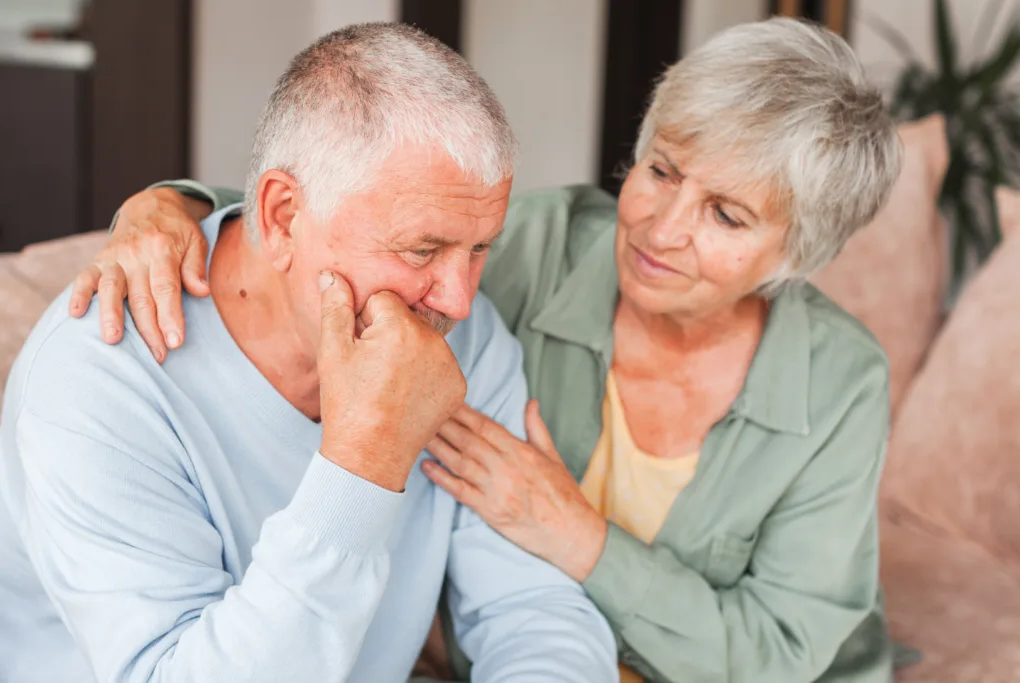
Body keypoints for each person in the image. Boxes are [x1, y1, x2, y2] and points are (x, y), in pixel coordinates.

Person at [70, 17, 904, 683]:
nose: (662, 226)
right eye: (661, 169)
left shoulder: (841, 381)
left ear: (799, 255)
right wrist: (165, 206)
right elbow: (342, 218)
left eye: (726, 215)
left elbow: (780, 651)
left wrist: (579, 537)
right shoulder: (537, 245)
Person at [0, 23, 620, 683]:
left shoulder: (463, 332)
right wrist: (363, 461)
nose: (460, 299)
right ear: (284, 215)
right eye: (421, 250)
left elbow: (533, 608)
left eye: (478, 247)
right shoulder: (100, 381)